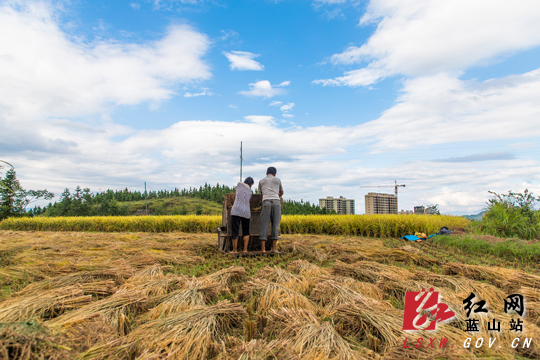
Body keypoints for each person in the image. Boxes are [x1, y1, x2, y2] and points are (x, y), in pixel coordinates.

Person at [258, 167, 283, 253]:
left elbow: (261, 194)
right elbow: (281, 192)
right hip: (276, 202)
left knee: (264, 225)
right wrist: (276, 196)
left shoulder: (261, 181)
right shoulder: (277, 180)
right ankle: (274, 249)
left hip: (266, 202)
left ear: (266, 173)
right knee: (275, 225)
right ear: (275, 174)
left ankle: (263, 249)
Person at [230, 177, 254, 254]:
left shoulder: (239, 185)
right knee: (246, 231)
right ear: (251, 184)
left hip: (236, 210)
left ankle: (234, 250)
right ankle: (245, 250)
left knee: (235, 230)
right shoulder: (250, 192)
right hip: (246, 211)